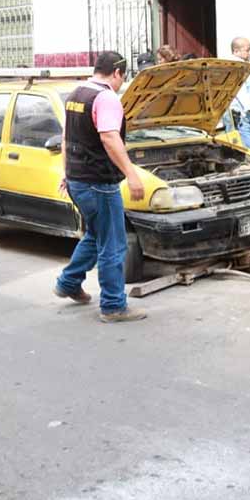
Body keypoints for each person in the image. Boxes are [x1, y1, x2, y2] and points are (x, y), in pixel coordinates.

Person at [55, 51, 147, 323]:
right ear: (117, 73)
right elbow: (109, 138)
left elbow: (66, 138)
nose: (122, 82)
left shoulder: (76, 94)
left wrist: (66, 171)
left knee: (96, 235)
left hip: (77, 180)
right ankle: (113, 305)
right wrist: (131, 174)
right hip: (99, 183)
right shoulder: (106, 98)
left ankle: (68, 282)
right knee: (114, 245)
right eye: (123, 77)